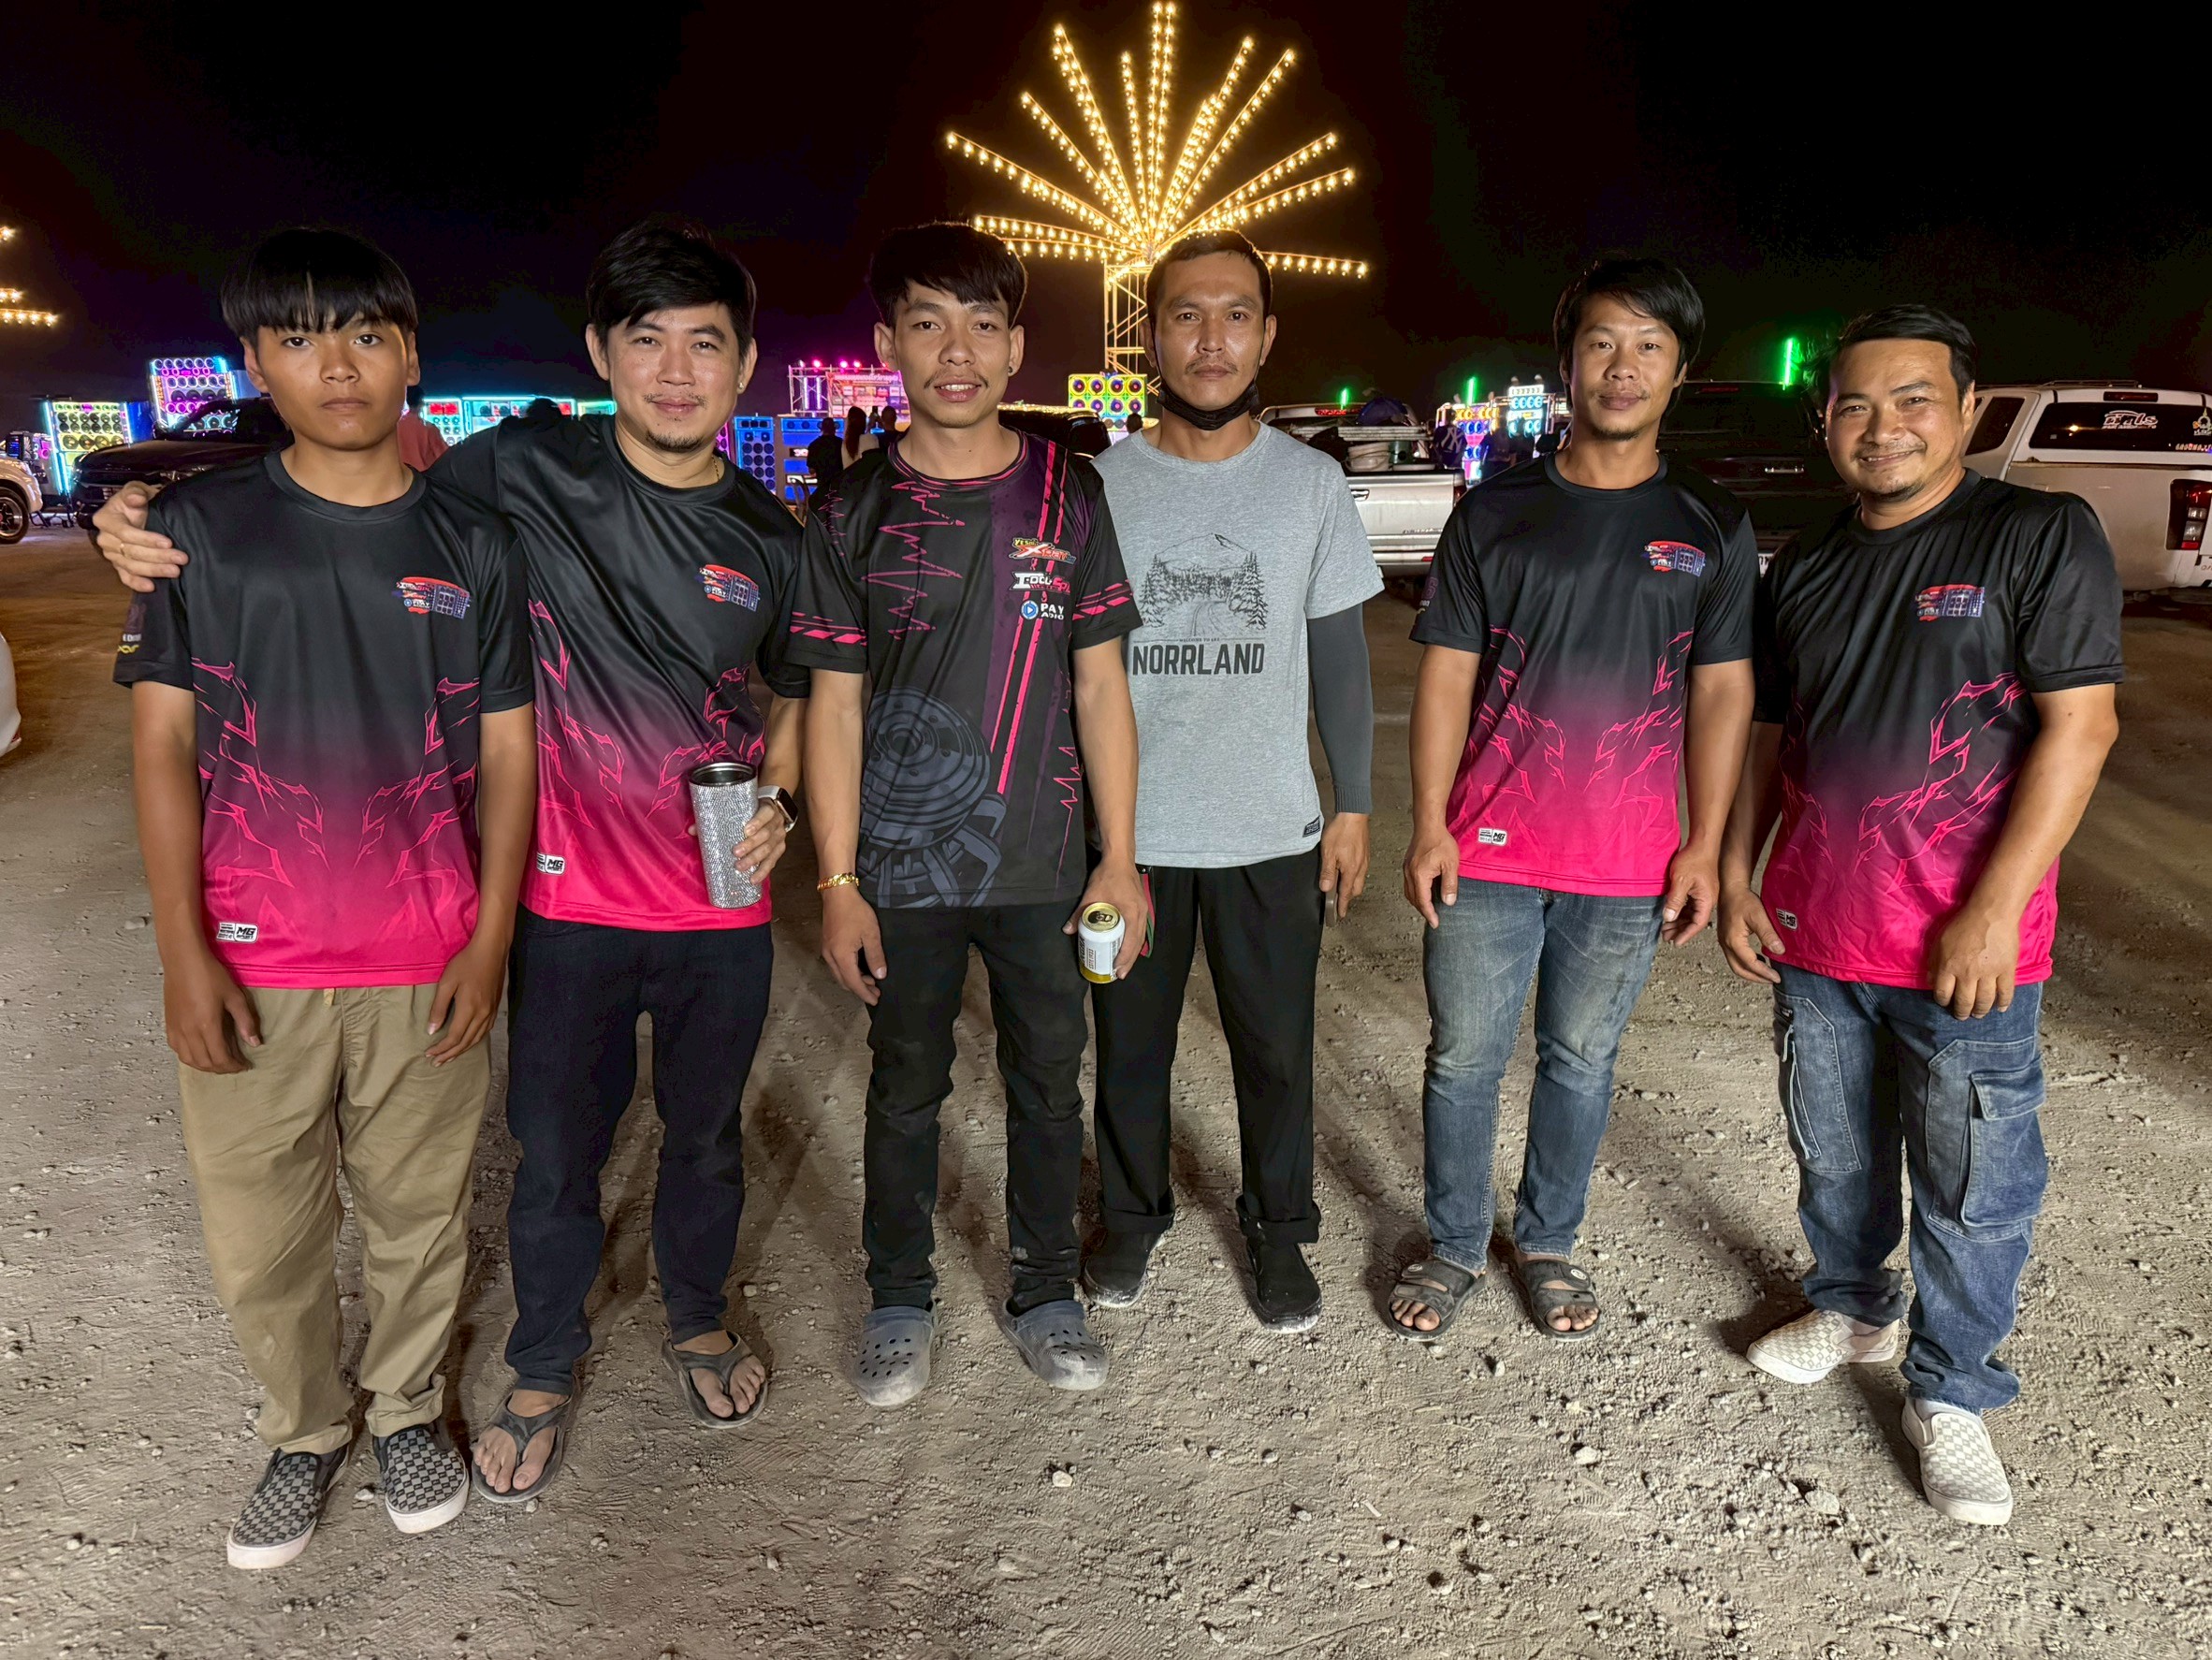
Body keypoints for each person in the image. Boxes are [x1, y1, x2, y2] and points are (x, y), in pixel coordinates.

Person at [95, 216, 807, 1503]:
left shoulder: (772, 530)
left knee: (705, 1136)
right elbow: (364, 476)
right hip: (561, 903)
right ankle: (539, 1363)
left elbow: (803, 689)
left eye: (707, 344)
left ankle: (696, 1319)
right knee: (555, 1150)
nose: (676, 371)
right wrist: (135, 513)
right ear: (600, 353)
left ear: (746, 365)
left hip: (717, 906)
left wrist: (787, 804)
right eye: (646, 341)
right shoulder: (521, 469)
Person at [111, 228, 536, 1567]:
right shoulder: (197, 533)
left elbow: (511, 755)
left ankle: (406, 1409)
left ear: (411, 353)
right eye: (297, 338)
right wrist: (184, 952)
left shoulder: (476, 540)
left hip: (425, 951)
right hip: (255, 958)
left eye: (363, 333)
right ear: (255, 363)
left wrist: (490, 938)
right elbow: (163, 747)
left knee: (420, 1213)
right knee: (263, 1232)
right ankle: (302, 1431)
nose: (335, 365)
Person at [1719, 307, 2121, 1527]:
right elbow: (1775, 734)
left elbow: (2082, 726)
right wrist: (1737, 870)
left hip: (1964, 945)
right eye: (1854, 403)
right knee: (1835, 1148)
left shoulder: (2035, 534)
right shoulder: (1809, 564)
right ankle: (1852, 1306)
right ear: (1825, 421)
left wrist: (1995, 908)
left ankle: (1950, 1389)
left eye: (1913, 399)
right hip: (1819, 932)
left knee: (1973, 1180)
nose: (1882, 425)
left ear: (1968, 408)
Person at [790, 223, 1144, 1407]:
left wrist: (1121, 858)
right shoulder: (853, 508)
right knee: (906, 1084)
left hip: (1044, 859)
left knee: (1049, 1080)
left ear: (1016, 346)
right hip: (903, 866)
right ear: (888, 342)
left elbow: (1101, 685)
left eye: (982, 325)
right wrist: (838, 881)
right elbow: (835, 707)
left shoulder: (1068, 489)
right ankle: (899, 1297)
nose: (958, 352)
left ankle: (1046, 1291)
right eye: (929, 324)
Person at [1394, 255, 1757, 1342]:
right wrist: (1429, 822)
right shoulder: (1496, 513)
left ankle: (1548, 1241)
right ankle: (1456, 1243)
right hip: (1489, 847)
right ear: (1567, 362)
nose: (1623, 366)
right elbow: (1447, 673)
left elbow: (1723, 691)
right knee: (1463, 1059)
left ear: (1680, 370)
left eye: (1650, 346)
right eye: (1602, 341)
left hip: (1628, 859)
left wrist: (1703, 845)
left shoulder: (1710, 522)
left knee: (1581, 1059)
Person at [1082, 228, 1379, 1332]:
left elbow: (1341, 658)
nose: (1212, 339)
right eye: (1187, 315)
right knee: (1129, 1046)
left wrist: (1354, 802)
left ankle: (1280, 1225)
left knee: (1276, 1049)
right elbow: (1078, 669)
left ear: (1266, 335)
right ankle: (1130, 1213)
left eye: (1235, 315)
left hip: (1271, 829)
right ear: (1152, 337)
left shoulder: (1309, 485)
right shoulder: (1099, 488)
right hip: (1133, 836)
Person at [399, 385, 449, 471]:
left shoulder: (391, 428)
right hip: (424, 476)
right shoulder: (429, 428)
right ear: (420, 403)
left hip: (399, 476)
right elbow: (445, 457)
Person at [806, 414, 844, 494]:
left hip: (822, 488)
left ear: (822, 429)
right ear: (834, 429)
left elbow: (811, 470)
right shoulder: (842, 444)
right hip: (840, 488)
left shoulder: (814, 445)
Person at [840, 403, 878, 470]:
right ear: (864, 423)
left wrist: (869, 427)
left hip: (849, 476)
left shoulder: (845, 443)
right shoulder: (871, 438)